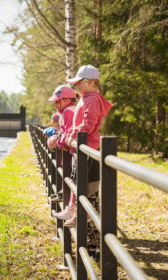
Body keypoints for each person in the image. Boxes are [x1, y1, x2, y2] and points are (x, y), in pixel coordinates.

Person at [62, 64, 113, 259]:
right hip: (84, 148)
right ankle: (93, 245)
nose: (76, 88)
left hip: (87, 148)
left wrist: (72, 136)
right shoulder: (87, 98)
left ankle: (94, 243)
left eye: (79, 83)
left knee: (88, 193)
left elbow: (88, 124)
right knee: (86, 193)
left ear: (90, 82)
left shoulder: (92, 100)